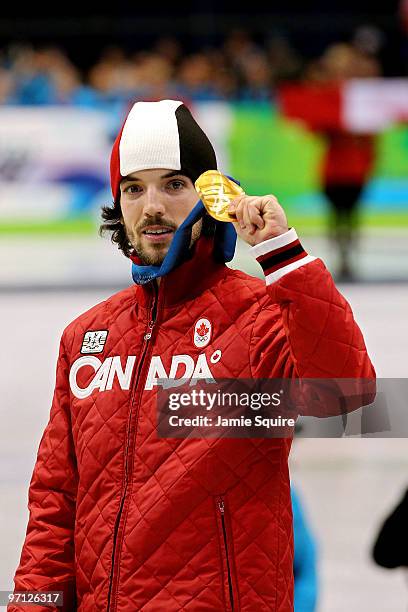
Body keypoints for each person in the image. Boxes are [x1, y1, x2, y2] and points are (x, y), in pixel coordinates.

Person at [10, 100, 375, 611]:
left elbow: (345, 392)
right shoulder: (86, 337)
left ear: (210, 198)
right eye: (133, 187)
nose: (151, 205)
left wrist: (282, 252)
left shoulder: (258, 317)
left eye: (174, 184)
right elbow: (54, 507)